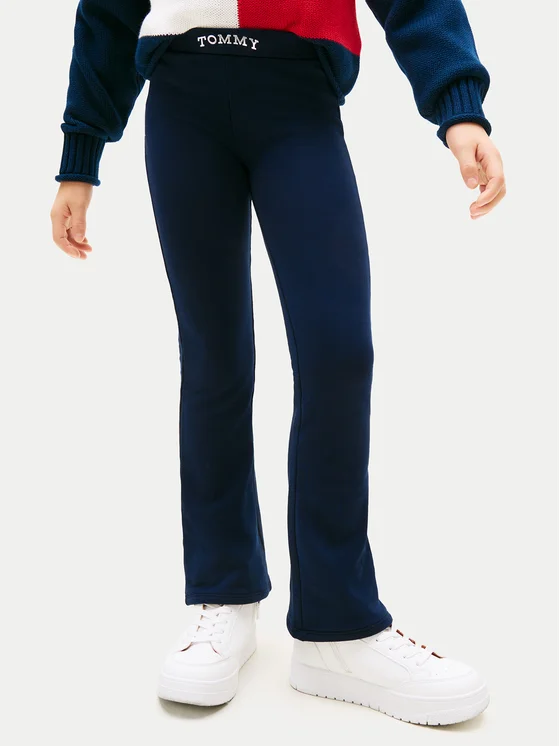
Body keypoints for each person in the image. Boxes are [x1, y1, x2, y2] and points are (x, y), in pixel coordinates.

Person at [50, 0, 506, 726]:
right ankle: (223, 595)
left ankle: (336, 624)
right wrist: (81, 153)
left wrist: (459, 108)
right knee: (213, 355)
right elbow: (109, 8)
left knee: (338, 350)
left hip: (297, 95)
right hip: (183, 94)